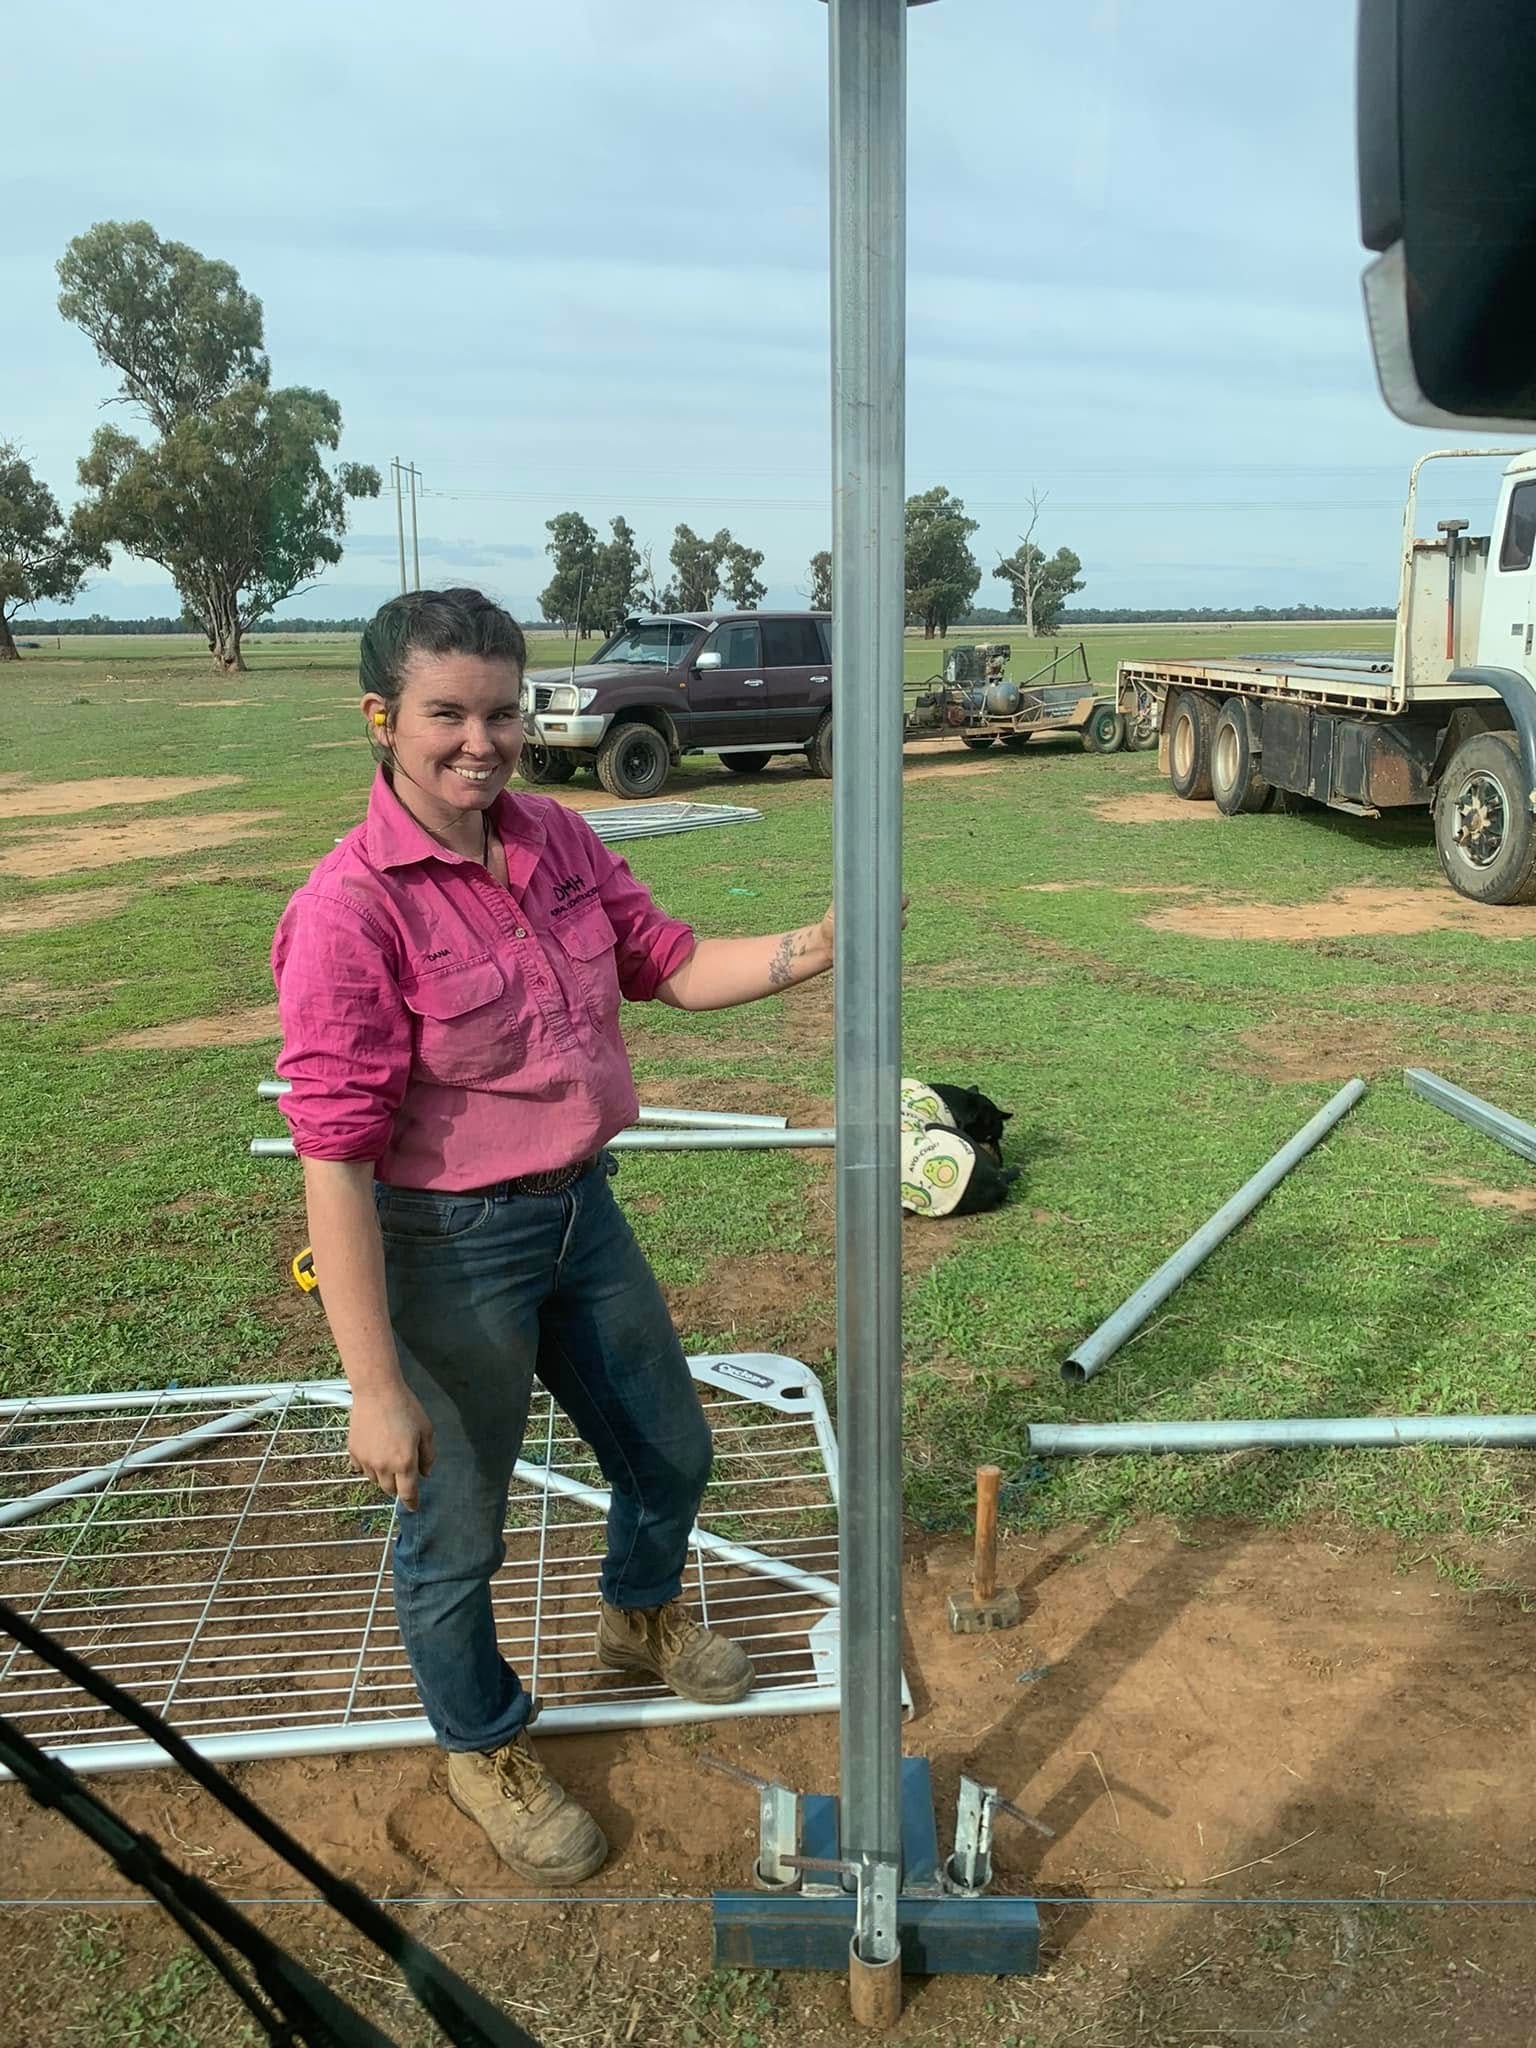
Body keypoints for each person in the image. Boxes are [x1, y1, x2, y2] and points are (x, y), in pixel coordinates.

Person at [271, 589, 836, 1886]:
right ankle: (483, 1748)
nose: (482, 743)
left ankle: (639, 1617)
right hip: (447, 1246)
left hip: (582, 1213)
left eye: (503, 712)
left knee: (670, 1450)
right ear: (381, 719)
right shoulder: (351, 910)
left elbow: (670, 963)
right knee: (455, 1530)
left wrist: (819, 945)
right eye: (447, 715)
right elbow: (335, 1164)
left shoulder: (557, 841)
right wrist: (374, 1387)